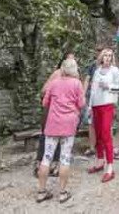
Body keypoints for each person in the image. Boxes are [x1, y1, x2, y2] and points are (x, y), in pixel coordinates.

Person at [36, 58, 85, 204]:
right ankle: (63, 193)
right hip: (69, 125)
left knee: (46, 158)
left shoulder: (54, 83)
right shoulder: (77, 84)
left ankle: (41, 192)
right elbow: (82, 104)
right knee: (64, 158)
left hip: (52, 125)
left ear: (62, 69)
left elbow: (45, 102)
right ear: (75, 69)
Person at [35, 51, 75, 177]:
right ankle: (41, 166)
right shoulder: (58, 74)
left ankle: (52, 166)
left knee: (57, 138)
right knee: (48, 138)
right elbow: (43, 92)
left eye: (73, 60)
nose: (71, 63)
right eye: (69, 60)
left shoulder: (74, 78)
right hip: (52, 111)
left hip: (61, 114)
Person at [87, 47, 119, 183]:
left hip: (107, 105)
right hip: (96, 105)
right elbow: (93, 90)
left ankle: (110, 167)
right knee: (98, 135)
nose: (107, 58)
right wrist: (90, 106)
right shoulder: (96, 71)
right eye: (105, 55)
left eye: (110, 55)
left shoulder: (115, 71)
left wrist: (108, 86)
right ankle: (99, 161)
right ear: (101, 57)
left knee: (106, 135)